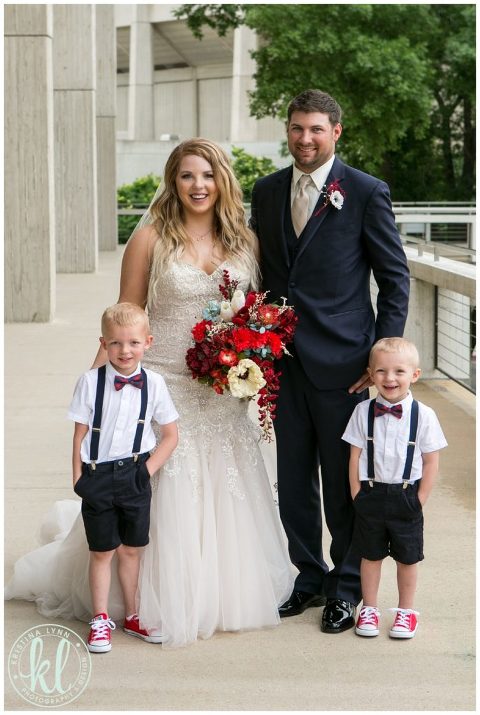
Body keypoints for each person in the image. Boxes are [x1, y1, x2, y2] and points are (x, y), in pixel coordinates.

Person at [6, 138, 294, 648]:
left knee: (222, 490)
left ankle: (215, 591)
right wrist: (97, 389)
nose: (198, 185)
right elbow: (126, 314)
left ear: (222, 179)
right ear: (173, 180)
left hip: (223, 392)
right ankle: (136, 601)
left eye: (207, 175)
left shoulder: (245, 241)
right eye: (186, 176)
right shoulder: (151, 238)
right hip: (161, 386)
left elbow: (256, 313)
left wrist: (254, 357)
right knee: (156, 490)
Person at [250, 89, 410, 634]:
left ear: (335, 132)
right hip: (280, 363)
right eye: (297, 128)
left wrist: (384, 358)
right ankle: (308, 578)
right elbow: (268, 275)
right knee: (292, 481)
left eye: (316, 129)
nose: (305, 138)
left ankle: (346, 587)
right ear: (288, 130)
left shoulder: (365, 192)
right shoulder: (267, 192)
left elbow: (394, 278)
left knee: (344, 484)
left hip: (345, 364)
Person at [343, 337, 447, 638]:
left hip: (406, 495)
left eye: (399, 371)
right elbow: (355, 456)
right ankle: (370, 609)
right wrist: (356, 494)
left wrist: (420, 499)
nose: (390, 379)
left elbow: (431, 461)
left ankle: (405, 612)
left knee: (408, 557)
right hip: (371, 494)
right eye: (381, 372)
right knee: (370, 555)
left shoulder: (424, 416)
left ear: (415, 375)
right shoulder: (362, 412)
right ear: (370, 374)